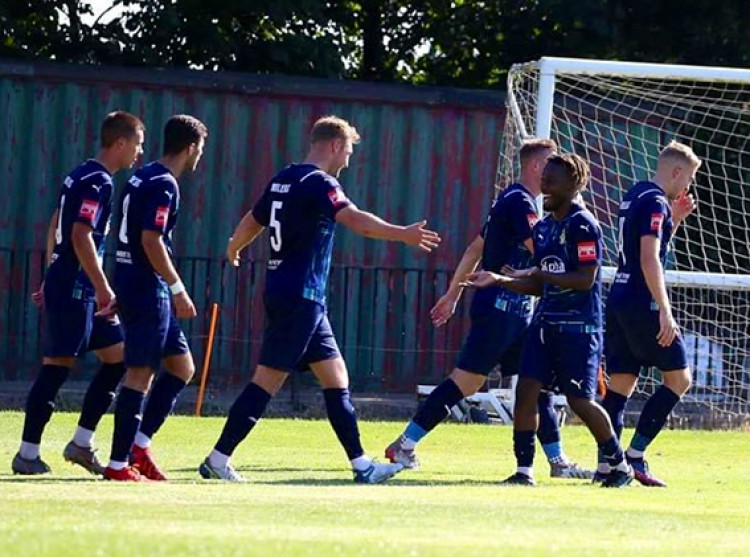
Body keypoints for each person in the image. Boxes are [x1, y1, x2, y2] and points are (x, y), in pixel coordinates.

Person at [199, 115, 441, 483]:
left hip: (294, 293)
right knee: (266, 381)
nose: (348, 158)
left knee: (335, 377)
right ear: (334, 145)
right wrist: (402, 234)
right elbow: (355, 220)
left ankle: (362, 466)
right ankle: (218, 459)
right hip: (300, 295)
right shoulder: (320, 183)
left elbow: (254, 218)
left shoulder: (284, 177)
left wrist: (234, 245)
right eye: (348, 150)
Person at [385, 139, 592, 479]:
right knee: (466, 382)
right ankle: (404, 445)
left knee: (536, 384)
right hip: (502, 308)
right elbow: (538, 249)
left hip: (516, 311)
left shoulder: (507, 200)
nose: (555, 174)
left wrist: (452, 294)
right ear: (537, 167)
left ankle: (558, 462)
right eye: (551, 165)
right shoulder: (521, 203)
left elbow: (473, 249)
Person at [463, 153, 633, 488]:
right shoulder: (543, 229)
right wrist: (499, 280)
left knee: (579, 401)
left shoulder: (584, 226)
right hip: (544, 325)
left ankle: (619, 464)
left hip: (579, 328)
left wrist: (539, 272)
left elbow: (584, 279)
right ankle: (524, 471)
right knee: (526, 391)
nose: (545, 190)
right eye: (543, 183)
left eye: (551, 183)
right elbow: (539, 284)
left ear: (573, 185)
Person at [12, 111, 144, 476]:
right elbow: (80, 234)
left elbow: (57, 219)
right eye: (137, 144)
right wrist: (103, 288)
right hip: (77, 286)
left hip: (72, 280)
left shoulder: (79, 173)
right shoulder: (98, 181)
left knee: (120, 359)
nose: (139, 152)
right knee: (56, 368)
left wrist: (49, 271)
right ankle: (27, 454)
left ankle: (82, 443)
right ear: (120, 142)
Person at [103, 115, 208, 481]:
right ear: (191, 147)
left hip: (135, 280)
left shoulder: (139, 176)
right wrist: (178, 288)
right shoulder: (165, 184)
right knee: (140, 375)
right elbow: (151, 240)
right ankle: (118, 465)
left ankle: (140, 444)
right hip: (149, 287)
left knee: (182, 367)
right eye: (200, 150)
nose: (199, 158)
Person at [600, 141, 700, 487]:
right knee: (679, 379)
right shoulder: (657, 201)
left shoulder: (636, 194)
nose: (686, 186)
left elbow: (644, 242)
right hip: (643, 300)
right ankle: (635, 456)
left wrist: (676, 219)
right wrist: (665, 311)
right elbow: (649, 257)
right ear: (675, 172)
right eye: (687, 177)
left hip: (619, 295)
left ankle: (608, 466)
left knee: (622, 384)